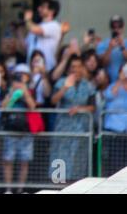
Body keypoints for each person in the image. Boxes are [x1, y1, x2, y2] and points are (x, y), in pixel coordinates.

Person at [49, 54, 95, 182]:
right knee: (61, 160)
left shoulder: (88, 85)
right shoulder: (61, 82)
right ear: (69, 69)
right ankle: (58, 186)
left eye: (79, 66)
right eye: (73, 67)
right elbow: (53, 101)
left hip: (81, 129)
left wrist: (80, 109)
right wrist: (65, 87)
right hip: (63, 128)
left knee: (77, 162)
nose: (76, 69)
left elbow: (92, 106)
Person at [0, 64, 37, 194]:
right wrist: (11, 92)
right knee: (8, 160)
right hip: (10, 128)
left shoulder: (30, 91)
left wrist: (25, 91)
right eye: (17, 77)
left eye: (23, 76)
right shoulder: (7, 90)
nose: (20, 80)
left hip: (25, 129)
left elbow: (32, 106)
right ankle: (8, 189)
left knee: (24, 161)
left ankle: (21, 189)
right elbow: (3, 106)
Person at [101, 63, 127, 175]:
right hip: (114, 130)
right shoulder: (113, 86)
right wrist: (121, 80)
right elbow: (109, 95)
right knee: (116, 161)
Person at [24, 0, 62, 71]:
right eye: (40, 6)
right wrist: (17, 32)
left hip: (46, 69)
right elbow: (25, 47)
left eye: (43, 7)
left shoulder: (54, 25)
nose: (39, 9)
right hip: (31, 70)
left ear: (52, 11)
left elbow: (35, 30)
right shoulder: (36, 25)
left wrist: (27, 19)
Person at [96, 15, 127, 83]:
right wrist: (110, 48)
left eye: (119, 26)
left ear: (123, 27)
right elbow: (103, 63)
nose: (117, 29)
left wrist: (122, 46)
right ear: (111, 28)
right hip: (108, 82)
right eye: (114, 27)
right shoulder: (103, 44)